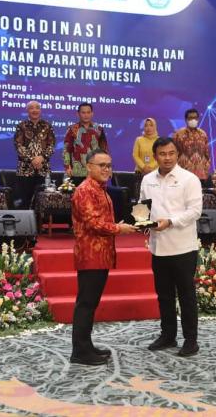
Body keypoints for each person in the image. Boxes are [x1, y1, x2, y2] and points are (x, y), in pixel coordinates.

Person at [70, 148, 137, 365]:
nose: (106, 169)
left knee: (90, 303)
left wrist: (116, 226)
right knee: (86, 303)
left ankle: (86, 345)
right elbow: (93, 223)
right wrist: (119, 229)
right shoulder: (85, 190)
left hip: (101, 254)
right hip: (90, 254)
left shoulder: (100, 189)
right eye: (102, 165)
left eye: (109, 165)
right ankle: (80, 352)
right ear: (89, 167)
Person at [139, 137, 203, 357]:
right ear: (155, 156)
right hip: (158, 247)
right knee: (164, 295)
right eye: (162, 154)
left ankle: (191, 340)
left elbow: (194, 211)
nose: (167, 158)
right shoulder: (147, 179)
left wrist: (170, 221)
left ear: (178, 155)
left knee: (186, 296)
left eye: (171, 153)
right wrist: (141, 223)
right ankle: (168, 335)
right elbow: (142, 207)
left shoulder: (189, 179)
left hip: (183, 247)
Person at [13, 101, 55, 209]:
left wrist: (42, 157)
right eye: (31, 108)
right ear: (27, 111)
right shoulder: (21, 126)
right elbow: (19, 146)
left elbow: (51, 145)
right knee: (24, 202)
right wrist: (32, 159)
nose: (34, 110)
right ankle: (25, 220)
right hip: (25, 170)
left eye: (37, 108)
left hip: (43, 169)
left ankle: (40, 220)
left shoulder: (47, 126)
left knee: (43, 202)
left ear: (40, 110)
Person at [63, 102, 108, 186]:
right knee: (77, 193)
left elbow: (104, 149)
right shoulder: (72, 129)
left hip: (95, 171)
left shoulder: (98, 129)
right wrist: (67, 166)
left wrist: (106, 167)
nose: (86, 115)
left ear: (92, 113)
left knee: (95, 193)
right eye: (83, 112)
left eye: (88, 112)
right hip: (77, 171)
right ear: (78, 114)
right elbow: (66, 149)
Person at [172, 108, 210, 183]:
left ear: (198, 119)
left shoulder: (203, 134)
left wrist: (206, 168)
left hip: (200, 174)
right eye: (190, 118)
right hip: (183, 174)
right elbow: (173, 153)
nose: (193, 120)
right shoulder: (178, 134)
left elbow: (207, 154)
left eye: (195, 118)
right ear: (186, 119)